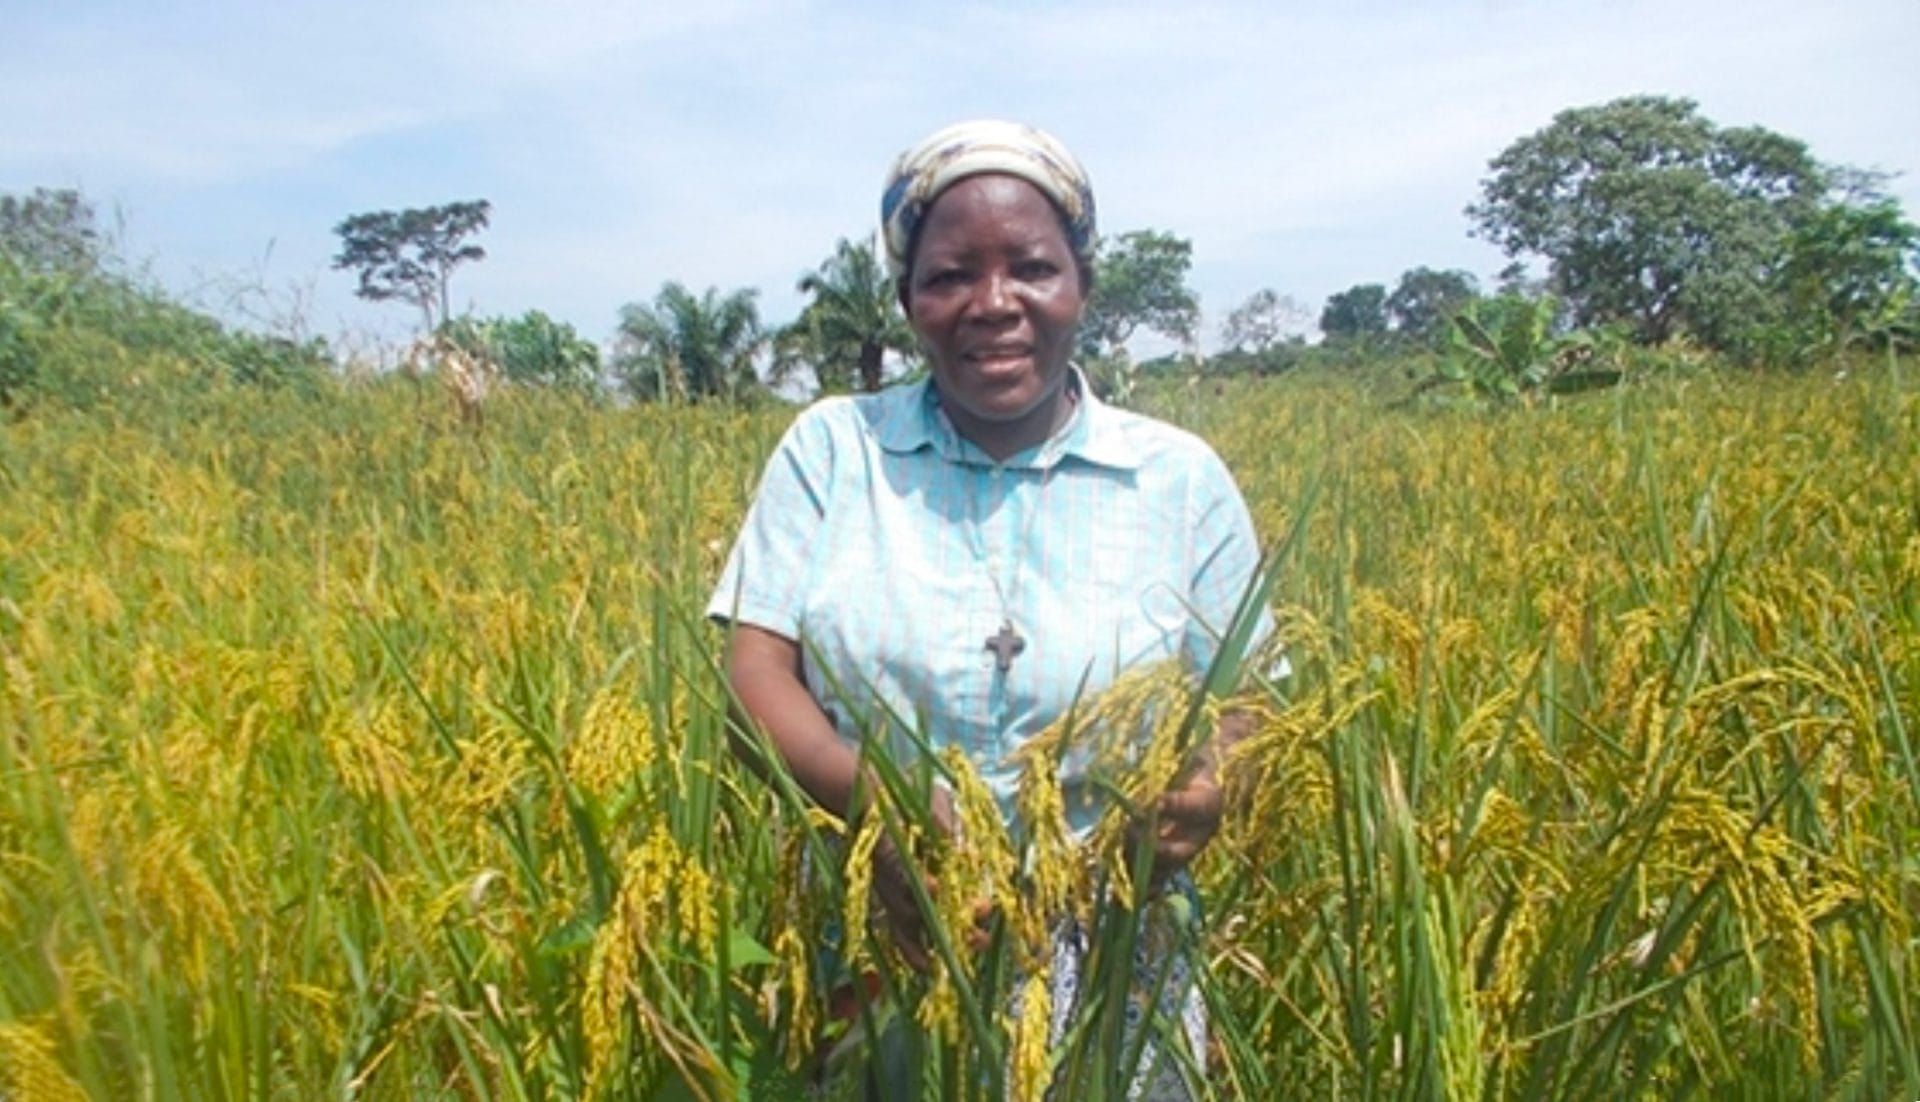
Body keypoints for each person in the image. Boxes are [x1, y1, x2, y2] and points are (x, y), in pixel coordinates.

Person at [709, 119, 1268, 1099]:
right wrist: (872, 799)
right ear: (908, 301)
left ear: (1082, 285)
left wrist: (1212, 780)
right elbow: (756, 673)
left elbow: (1248, 694)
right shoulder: (834, 451)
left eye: (1032, 269)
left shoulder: (1180, 478)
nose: (993, 304)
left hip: (1110, 939)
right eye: (951, 275)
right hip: (878, 923)